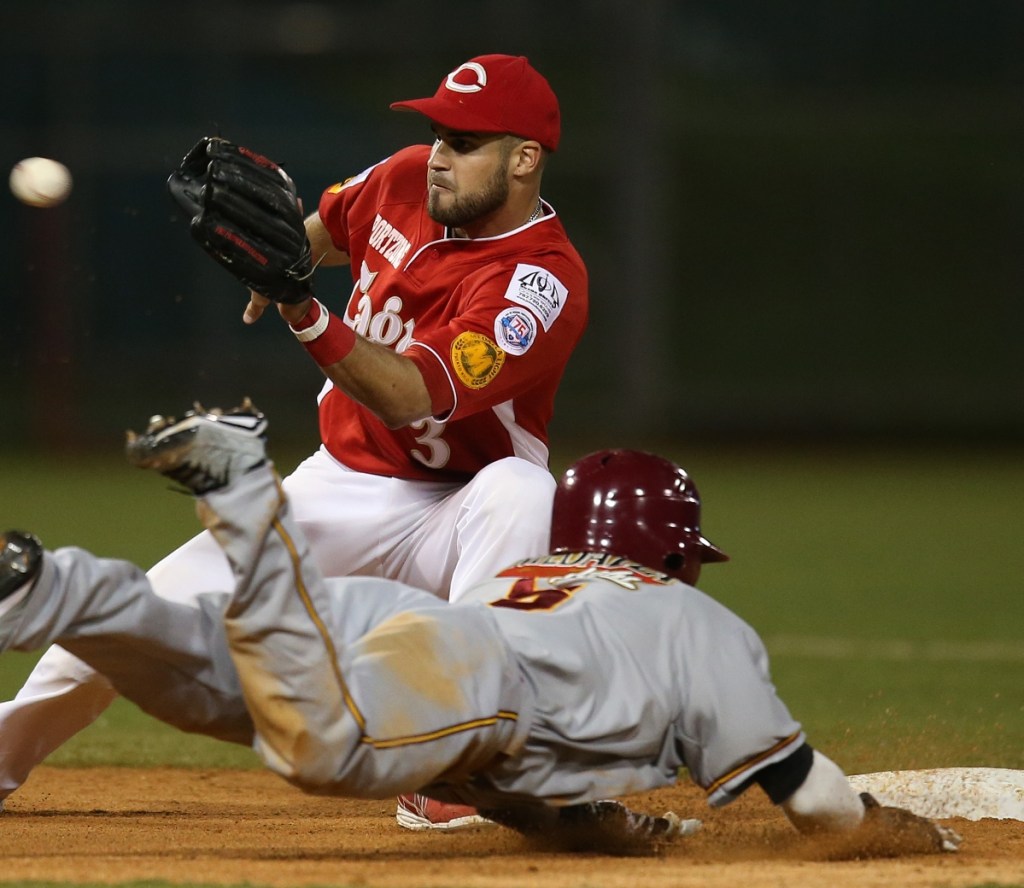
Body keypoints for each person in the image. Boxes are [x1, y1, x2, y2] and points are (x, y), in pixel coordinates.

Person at [0, 53, 588, 831]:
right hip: (338, 487)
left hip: (459, 513)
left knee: (525, 490)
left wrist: (301, 305)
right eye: (439, 130)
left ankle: (464, 761)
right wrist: (286, 257)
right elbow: (325, 230)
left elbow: (411, 395)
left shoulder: (539, 283)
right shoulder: (408, 175)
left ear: (524, 159)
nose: (441, 153)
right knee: (141, 611)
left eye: (467, 140)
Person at [0, 403, 960, 857]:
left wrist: (607, 831)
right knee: (307, 732)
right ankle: (223, 509)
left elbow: (521, 795)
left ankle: (73, 590)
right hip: (444, 689)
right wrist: (896, 836)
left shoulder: (535, 578)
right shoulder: (684, 621)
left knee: (222, 676)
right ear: (670, 552)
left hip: (412, 633)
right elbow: (812, 796)